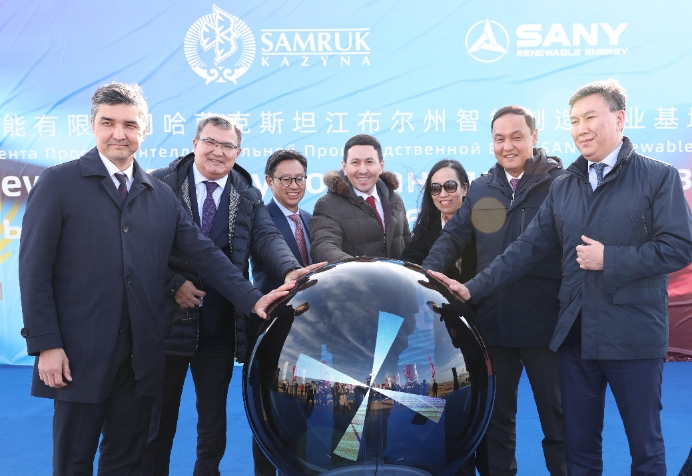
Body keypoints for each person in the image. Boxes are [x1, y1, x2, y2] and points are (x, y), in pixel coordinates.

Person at [18, 82, 299, 475]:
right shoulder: (58, 183)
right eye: (108, 123)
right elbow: (34, 271)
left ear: (145, 130)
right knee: (74, 461)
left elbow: (205, 253)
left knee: (126, 459)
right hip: (80, 355)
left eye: (130, 125)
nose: (119, 133)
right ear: (93, 126)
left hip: (142, 357)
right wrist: (46, 344)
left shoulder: (157, 193)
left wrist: (254, 298)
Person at [430, 80, 692, 475]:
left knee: (645, 447)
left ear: (619, 118)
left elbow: (679, 248)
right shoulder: (565, 185)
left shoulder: (658, 176)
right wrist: (471, 288)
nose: (582, 129)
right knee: (579, 451)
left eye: (590, 117)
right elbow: (524, 249)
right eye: (574, 120)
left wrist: (610, 259)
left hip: (632, 335)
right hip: (575, 338)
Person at [141, 115, 321, 476]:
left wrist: (289, 269)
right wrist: (173, 283)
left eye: (227, 146)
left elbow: (267, 236)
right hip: (164, 324)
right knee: (157, 420)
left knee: (212, 421)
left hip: (219, 325)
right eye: (210, 142)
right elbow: (138, 246)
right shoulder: (159, 184)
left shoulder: (247, 193)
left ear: (238, 152)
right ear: (195, 144)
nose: (218, 152)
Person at [424, 106, 566, 476]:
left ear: (534, 137)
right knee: (496, 421)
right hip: (493, 325)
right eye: (499, 139)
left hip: (545, 326)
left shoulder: (560, 184)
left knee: (559, 422)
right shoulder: (482, 188)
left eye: (517, 137)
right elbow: (452, 238)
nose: (508, 146)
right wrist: (425, 276)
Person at [251, 148, 315, 476]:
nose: (293, 186)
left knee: (305, 412)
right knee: (269, 412)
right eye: (285, 179)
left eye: (299, 179)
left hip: (310, 334)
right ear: (269, 181)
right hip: (275, 331)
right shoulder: (258, 219)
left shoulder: (310, 220)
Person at [310, 134, 410, 263]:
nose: (362, 170)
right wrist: (360, 268)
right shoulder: (327, 205)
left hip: (396, 276)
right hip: (353, 276)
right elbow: (323, 248)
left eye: (369, 162)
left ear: (381, 166)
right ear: (345, 167)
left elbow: (408, 245)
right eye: (355, 162)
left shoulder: (395, 200)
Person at [401, 159, 477, 284]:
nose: (442, 194)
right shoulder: (426, 228)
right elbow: (409, 261)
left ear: (465, 189)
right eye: (435, 188)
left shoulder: (482, 225)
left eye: (450, 186)